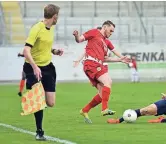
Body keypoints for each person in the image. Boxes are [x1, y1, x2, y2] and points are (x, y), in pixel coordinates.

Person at [73, 21, 130, 123]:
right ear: (104, 27)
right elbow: (79, 40)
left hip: (97, 64)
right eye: (110, 30)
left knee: (101, 94)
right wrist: (76, 36)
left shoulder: (105, 41)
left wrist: (120, 59)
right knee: (108, 81)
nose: (111, 33)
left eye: (113, 31)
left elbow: (105, 57)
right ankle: (104, 109)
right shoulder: (94, 32)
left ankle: (85, 110)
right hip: (91, 63)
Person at [22, 4, 63, 140]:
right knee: (39, 99)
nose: (58, 18)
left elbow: (44, 46)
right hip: (33, 68)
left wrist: (54, 51)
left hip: (47, 67)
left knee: (50, 102)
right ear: (55, 16)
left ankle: (34, 101)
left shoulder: (50, 28)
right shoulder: (37, 28)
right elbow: (26, 50)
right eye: (58, 16)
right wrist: (34, 67)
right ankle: (39, 131)